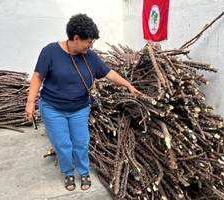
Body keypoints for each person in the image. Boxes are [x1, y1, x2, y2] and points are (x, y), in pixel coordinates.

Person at [25, 13, 141, 191]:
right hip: (53, 108)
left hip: (79, 108)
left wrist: (128, 85)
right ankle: (69, 172)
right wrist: (30, 102)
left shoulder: (90, 56)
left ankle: (83, 171)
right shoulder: (50, 51)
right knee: (63, 144)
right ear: (76, 38)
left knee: (81, 142)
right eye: (89, 41)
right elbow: (38, 77)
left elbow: (109, 73)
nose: (91, 45)